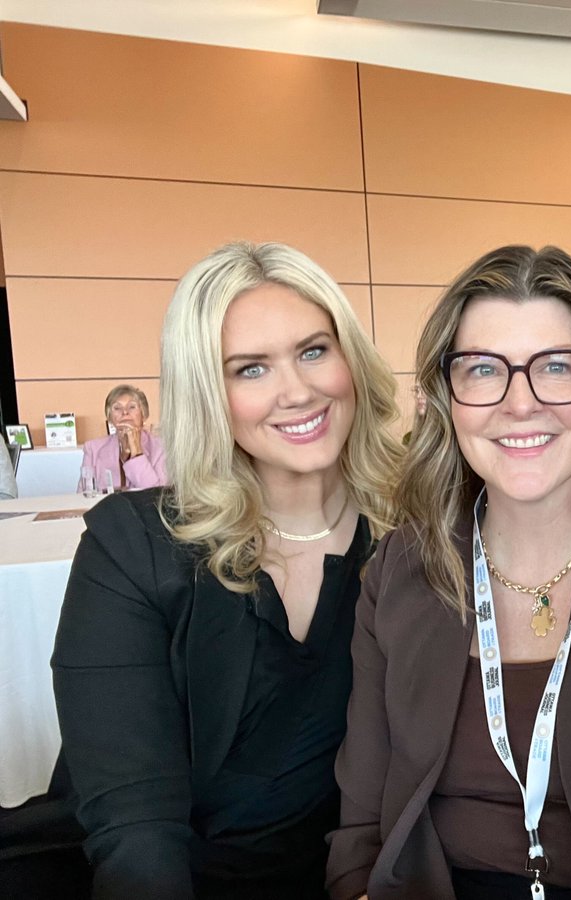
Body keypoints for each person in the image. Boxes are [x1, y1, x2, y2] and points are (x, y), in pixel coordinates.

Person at [326, 245, 571, 900]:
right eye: (483, 370)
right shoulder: (403, 569)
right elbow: (362, 823)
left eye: (555, 366)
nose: (520, 404)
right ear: (446, 396)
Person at [52, 242, 404, 899]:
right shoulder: (132, 545)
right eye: (249, 369)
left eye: (314, 350)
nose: (297, 391)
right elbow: (136, 831)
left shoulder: (414, 534)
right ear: (208, 392)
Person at [79, 384, 168, 490]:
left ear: (143, 414)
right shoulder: (93, 448)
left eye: (132, 407)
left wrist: (137, 452)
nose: (125, 412)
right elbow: (84, 495)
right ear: (110, 418)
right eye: (117, 408)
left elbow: (156, 495)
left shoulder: (162, 447)